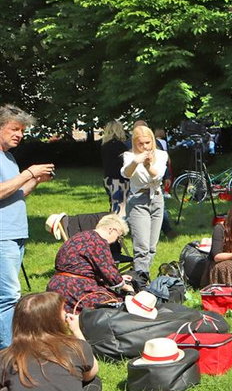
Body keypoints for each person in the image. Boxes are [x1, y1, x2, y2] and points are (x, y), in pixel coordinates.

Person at [0, 105, 56, 349]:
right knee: (9, 297)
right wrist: (28, 172)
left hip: (16, 233)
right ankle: (9, 352)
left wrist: (35, 180)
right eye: (14, 129)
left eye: (22, 130)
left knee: (10, 294)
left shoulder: (8, 157)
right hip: (2, 237)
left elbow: (15, 194)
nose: (19, 135)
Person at [46, 214, 135, 312]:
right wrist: (126, 287)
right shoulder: (98, 242)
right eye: (118, 236)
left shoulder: (80, 236)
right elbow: (109, 272)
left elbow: (89, 268)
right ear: (111, 229)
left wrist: (119, 278)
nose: (116, 241)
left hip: (56, 286)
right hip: (75, 289)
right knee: (117, 303)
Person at [122, 125, 168, 277]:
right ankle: (141, 282)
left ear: (153, 141)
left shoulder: (161, 155)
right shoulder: (130, 156)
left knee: (151, 247)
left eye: (147, 143)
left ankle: (141, 277)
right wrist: (136, 162)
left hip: (157, 198)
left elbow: (158, 175)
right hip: (138, 200)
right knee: (142, 246)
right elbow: (126, 174)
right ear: (135, 143)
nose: (145, 147)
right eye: (140, 144)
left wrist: (148, 165)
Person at [100, 120, 129, 214]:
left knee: (113, 203)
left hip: (108, 178)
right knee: (120, 206)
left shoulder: (104, 145)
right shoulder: (120, 146)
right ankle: (116, 225)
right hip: (119, 179)